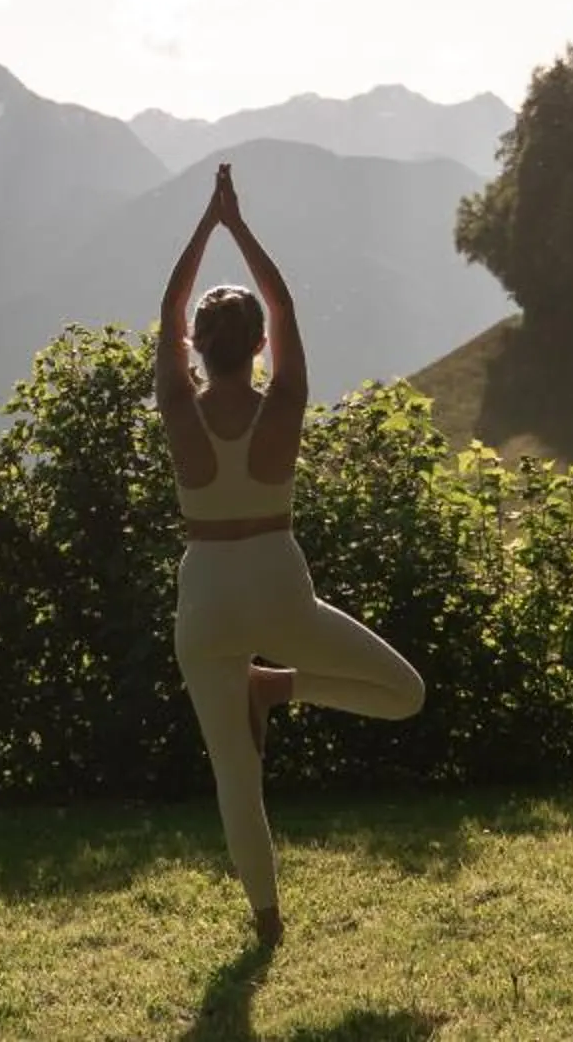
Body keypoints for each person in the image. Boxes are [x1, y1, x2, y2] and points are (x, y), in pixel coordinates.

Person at [157, 162, 424, 950]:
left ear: (193, 347)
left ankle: (268, 927)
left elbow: (171, 304)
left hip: (206, 600)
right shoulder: (287, 400)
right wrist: (239, 225)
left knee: (236, 780)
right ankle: (281, 688)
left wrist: (207, 225)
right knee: (405, 693)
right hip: (279, 590)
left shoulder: (178, 406)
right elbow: (283, 301)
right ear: (263, 347)